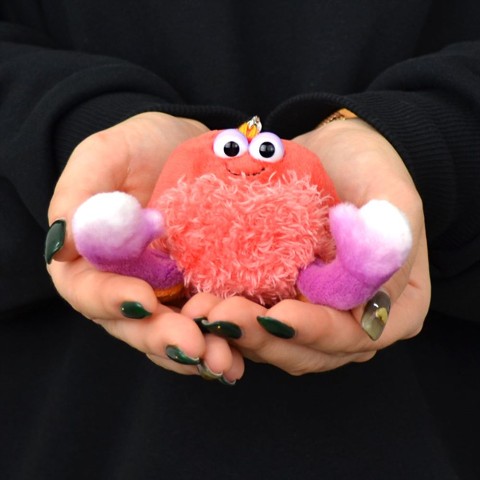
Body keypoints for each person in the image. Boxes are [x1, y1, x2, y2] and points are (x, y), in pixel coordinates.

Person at [1, 1, 479, 478]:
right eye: (234, 147)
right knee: (160, 268)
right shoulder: (186, 192)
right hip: (75, 413)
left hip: (424, 414)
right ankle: (120, 243)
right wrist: (75, 121)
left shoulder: (303, 198)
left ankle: (361, 263)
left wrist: (432, 140)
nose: (248, 162)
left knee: (322, 280)